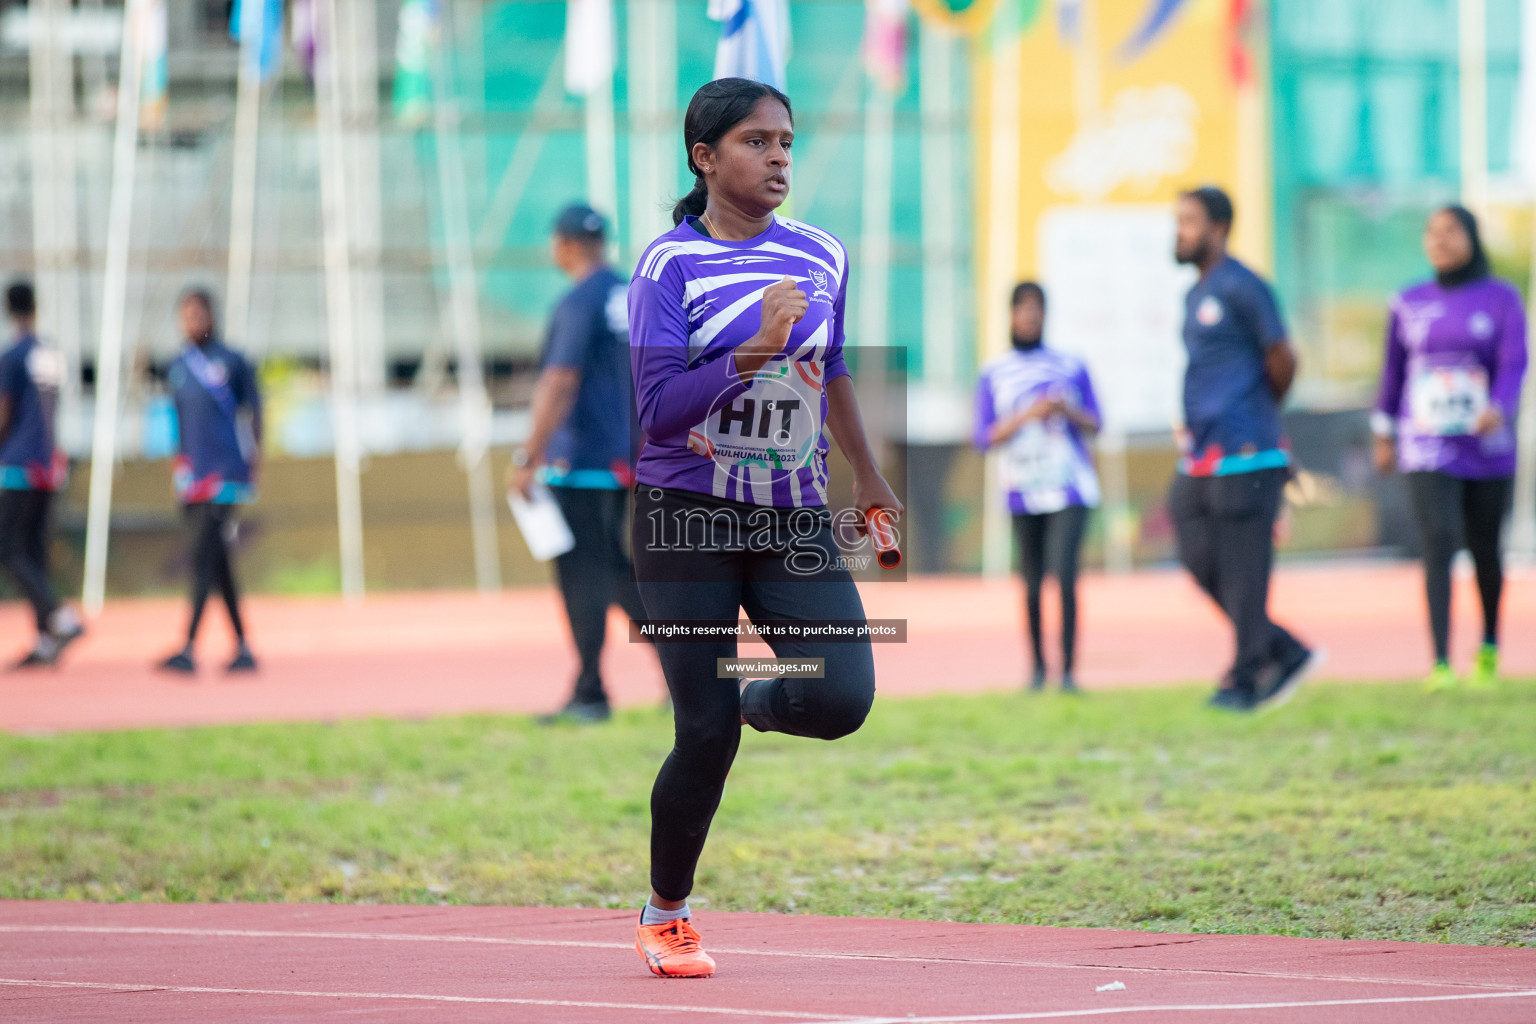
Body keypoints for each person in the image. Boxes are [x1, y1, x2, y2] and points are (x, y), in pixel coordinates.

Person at [626, 77, 902, 977]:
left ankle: (753, 695)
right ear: (705, 157)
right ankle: (667, 911)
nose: (779, 157)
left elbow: (838, 371)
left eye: (785, 141)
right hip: (686, 517)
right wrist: (748, 352)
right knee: (704, 732)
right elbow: (658, 409)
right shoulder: (670, 266)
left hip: (790, 516)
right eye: (756, 142)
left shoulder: (824, 254)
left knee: (838, 696)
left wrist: (866, 473)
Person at [1170, 186, 1319, 712]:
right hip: (1203, 453)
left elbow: (1281, 355)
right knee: (1195, 552)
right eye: (1178, 220)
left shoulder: (1244, 286)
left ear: (1219, 228)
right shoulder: (1195, 293)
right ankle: (1284, 648)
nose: (1179, 230)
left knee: (1244, 569)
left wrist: (1258, 413)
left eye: (1189, 221)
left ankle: (1246, 676)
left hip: (1249, 450)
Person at [1371, 206, 1527, 691]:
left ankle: (1488, 649)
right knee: (1438, 540)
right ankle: (1439, 661)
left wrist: (1498, 406)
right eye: (1431, 233)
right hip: (1426, 444)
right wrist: (1383, 432)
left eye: (1451, 232)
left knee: (1485, 547)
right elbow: (1392, 373)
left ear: (1472, 238)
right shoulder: (1408, 301)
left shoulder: (1501, 298)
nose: (1440, 241)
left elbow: (1514, 361)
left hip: (1487, 445)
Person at [509, 203, 653, 724]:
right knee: (619, 574)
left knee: (583, 575)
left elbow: (560, 379)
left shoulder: (577, 301)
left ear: (564, 244)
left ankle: (590, 692)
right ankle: (695, 667)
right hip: (633, 458)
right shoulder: (635, 296)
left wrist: (529, 456)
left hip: (583, 459)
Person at [973, 282, 1100, 693]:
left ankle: (1068, 674)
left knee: (1064, 574)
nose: (1029, 316)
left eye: (1037, 308)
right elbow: (983, 437)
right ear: (1010, 316)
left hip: (1070, 488)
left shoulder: (1071, 365)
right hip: (1022, 488)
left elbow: (1097, 423)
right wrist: (1028, 414)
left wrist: (1067, 410)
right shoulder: (994, 373)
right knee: (1030, 581)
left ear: (1046, 315)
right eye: (1022, 308)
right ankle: (1038, 670)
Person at [156, 288, 261, 675]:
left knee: (203, 557)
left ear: (211, 315)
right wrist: (178, 467)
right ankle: (243, 646)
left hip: (226, 473)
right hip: (193, 475)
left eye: (199, 313)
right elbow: (178, 423)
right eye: (186, 314)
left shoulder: (233, 361)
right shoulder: (177, 366)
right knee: (217, 562)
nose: (193, 321)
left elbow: (254, 413)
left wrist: (255, 463)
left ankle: (188, 646)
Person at [0, 280, 82, 668]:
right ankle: (47, 640)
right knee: (33, 550)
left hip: (18, 464)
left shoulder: (13, 355)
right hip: (49, 463)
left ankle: (59, 616)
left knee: (8, 547)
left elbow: (4, 412)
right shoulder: (51, 355)